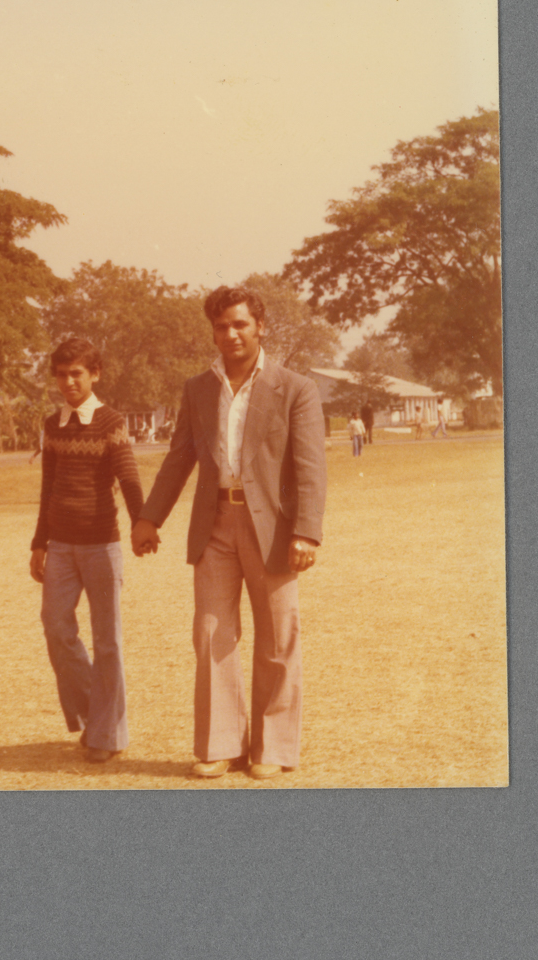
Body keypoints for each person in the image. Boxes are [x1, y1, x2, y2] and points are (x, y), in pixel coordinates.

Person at [131, 284, 327, 781]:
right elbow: (179, 459)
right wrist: (149, 517)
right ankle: (220, 743)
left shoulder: (295, 388)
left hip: (273, 530)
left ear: (260, 326)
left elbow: (309, 469)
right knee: (212, 633)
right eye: (222, 326)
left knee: (278, 635)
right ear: (213, 332)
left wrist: (306, 532)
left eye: (240, 324)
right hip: (214, 524)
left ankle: (273, 746)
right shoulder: (198, 388)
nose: (231, 334)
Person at [30, 338, 145, 764]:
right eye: (61, 374)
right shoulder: (52, 425)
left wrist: (141, 522)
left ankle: (106, 733)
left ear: (94, 374)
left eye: (76, 373)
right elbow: (48, 488)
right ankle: (99, 713)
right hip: (60, 546)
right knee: (56, 628)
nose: (68, 382)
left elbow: (128, 474)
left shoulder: (110, 421)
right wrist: (39, 542)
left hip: (101, 545)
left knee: (108, 640)